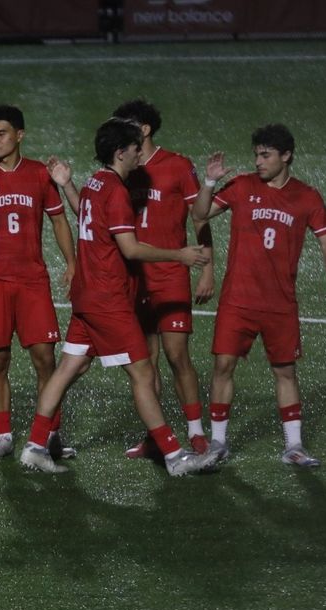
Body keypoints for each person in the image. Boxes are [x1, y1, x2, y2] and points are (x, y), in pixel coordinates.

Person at [32, 118, 215, 477]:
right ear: (121, 152)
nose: (138, 156)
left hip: (86, 295)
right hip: (108, 298)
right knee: (143, 372)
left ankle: (35, 446)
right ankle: (176, 457)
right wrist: (180, 255)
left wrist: (67, 184)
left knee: (68, 367)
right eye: (134, 150)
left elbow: (88, 214)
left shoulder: (95, 184)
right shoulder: (115, 190)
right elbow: (130, 249)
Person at [190, 124, 326, 468]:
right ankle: (218, 442)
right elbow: (199, 214)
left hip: (280, 303)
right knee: (223, 366)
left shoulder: (307, 196)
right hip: (238, 300)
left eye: (266, 155)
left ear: (286, 156)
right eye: (256, 154)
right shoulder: (242, 186)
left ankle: (294, 446)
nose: (258, 161)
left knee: (285, 372)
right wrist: (210, 181)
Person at [0, 104, 77, 471]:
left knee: (46, 360)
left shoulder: (39, 174)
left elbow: (58, 221)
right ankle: (3, 435)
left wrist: (72, 264)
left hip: (31, 280)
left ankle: (51, 433)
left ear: (19, 135)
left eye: (1, 133)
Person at [110, 100, 214, 459]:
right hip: (135, 278)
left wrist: (208, 268)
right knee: (145, 360)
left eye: (127, 124)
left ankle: (197, 432)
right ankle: (155, 435)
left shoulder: (178, 166)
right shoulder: (124, 169)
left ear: (145, 129)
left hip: (171, 274)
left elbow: (200, 218)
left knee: (177, 354)